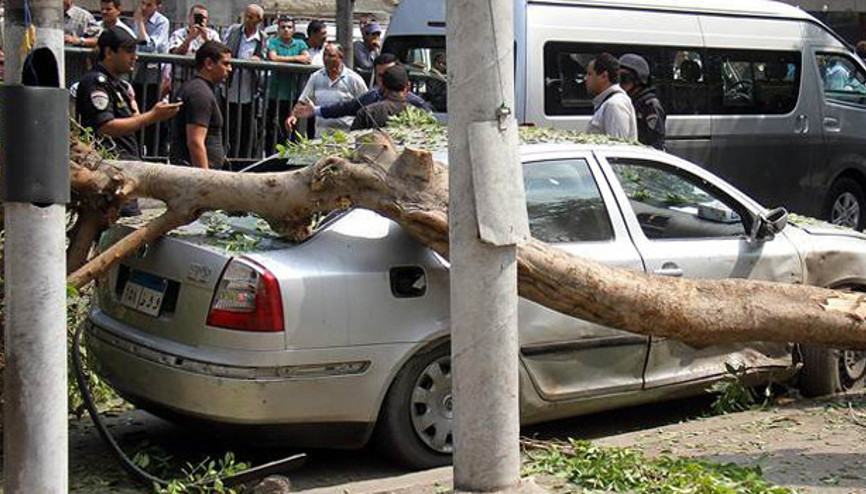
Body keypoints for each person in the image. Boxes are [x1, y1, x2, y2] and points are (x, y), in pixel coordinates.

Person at [75, 26, 181, 213]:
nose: (135, 57)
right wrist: (152, 116)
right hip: (108, 172)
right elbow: (106, 127)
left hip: (124, 170)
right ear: (109, 52)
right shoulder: (96, 82)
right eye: (129, 51)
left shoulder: (119, 85)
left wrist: (148, 112)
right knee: (116, 222)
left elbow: (132, 122)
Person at [292, 53, 431, 121]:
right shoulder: (370, 101)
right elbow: (345, 108)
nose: (386, 81)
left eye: (390, 75)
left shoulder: (417, 105)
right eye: (381, 76)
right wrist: (316, 110)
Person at [284, 42, 367, 138]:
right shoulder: (316, 77)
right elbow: (303, 100)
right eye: (324, 55)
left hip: (346, 137)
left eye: (331, 56)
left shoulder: (353, 79)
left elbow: (366, 104)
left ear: (340, 57)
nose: (326, 59)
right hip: (321, 137)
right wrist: (293, 115)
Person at [171, 41, 232, 170]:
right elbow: (195, 142)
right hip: (194, 176)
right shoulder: (199, 93)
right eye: (225, 64)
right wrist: (205, 178)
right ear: (209, 63)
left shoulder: (199, 89)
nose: (230, 69)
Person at [223, 4, 267, 159]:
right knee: (228, 128)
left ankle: (243, 160)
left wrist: (258, 61)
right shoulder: (234, 30)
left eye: (251, 17)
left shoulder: (262, 39)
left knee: (247, 131)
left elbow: (265, 62)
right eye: (246, 16)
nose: (246, 19)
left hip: (249, 92)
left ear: (259, 20)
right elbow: (224, 49)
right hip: (230, 88)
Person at [265, 15, 311, 149]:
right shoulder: (273, 42)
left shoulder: (300, 43)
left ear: (294, 30)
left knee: (293, 130)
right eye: (283, 27)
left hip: (295, 95)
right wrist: (296, 59)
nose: (286, 30)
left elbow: (307, 58)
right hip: (276, 94)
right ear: (278, 29)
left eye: (289, 27)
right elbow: (273, 58)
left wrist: (284, 59)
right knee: (274, 130)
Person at [585, 52, 637, 140]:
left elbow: (618, 144)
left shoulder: (615, 104)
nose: (586, 78)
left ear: (604, 76)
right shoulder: (609, 102)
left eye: (590, 74)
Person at [618, 53, 665, 150]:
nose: (620, 84)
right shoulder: (625, 102)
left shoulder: (650, 105)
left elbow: (655, 142)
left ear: (638, 80)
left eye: (624, 78)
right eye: (617, 79)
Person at [350, 65, 413, 130]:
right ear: (408, 86)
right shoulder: (415, 114)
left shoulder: (367, 113)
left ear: (382, 85)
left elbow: (353, 135)